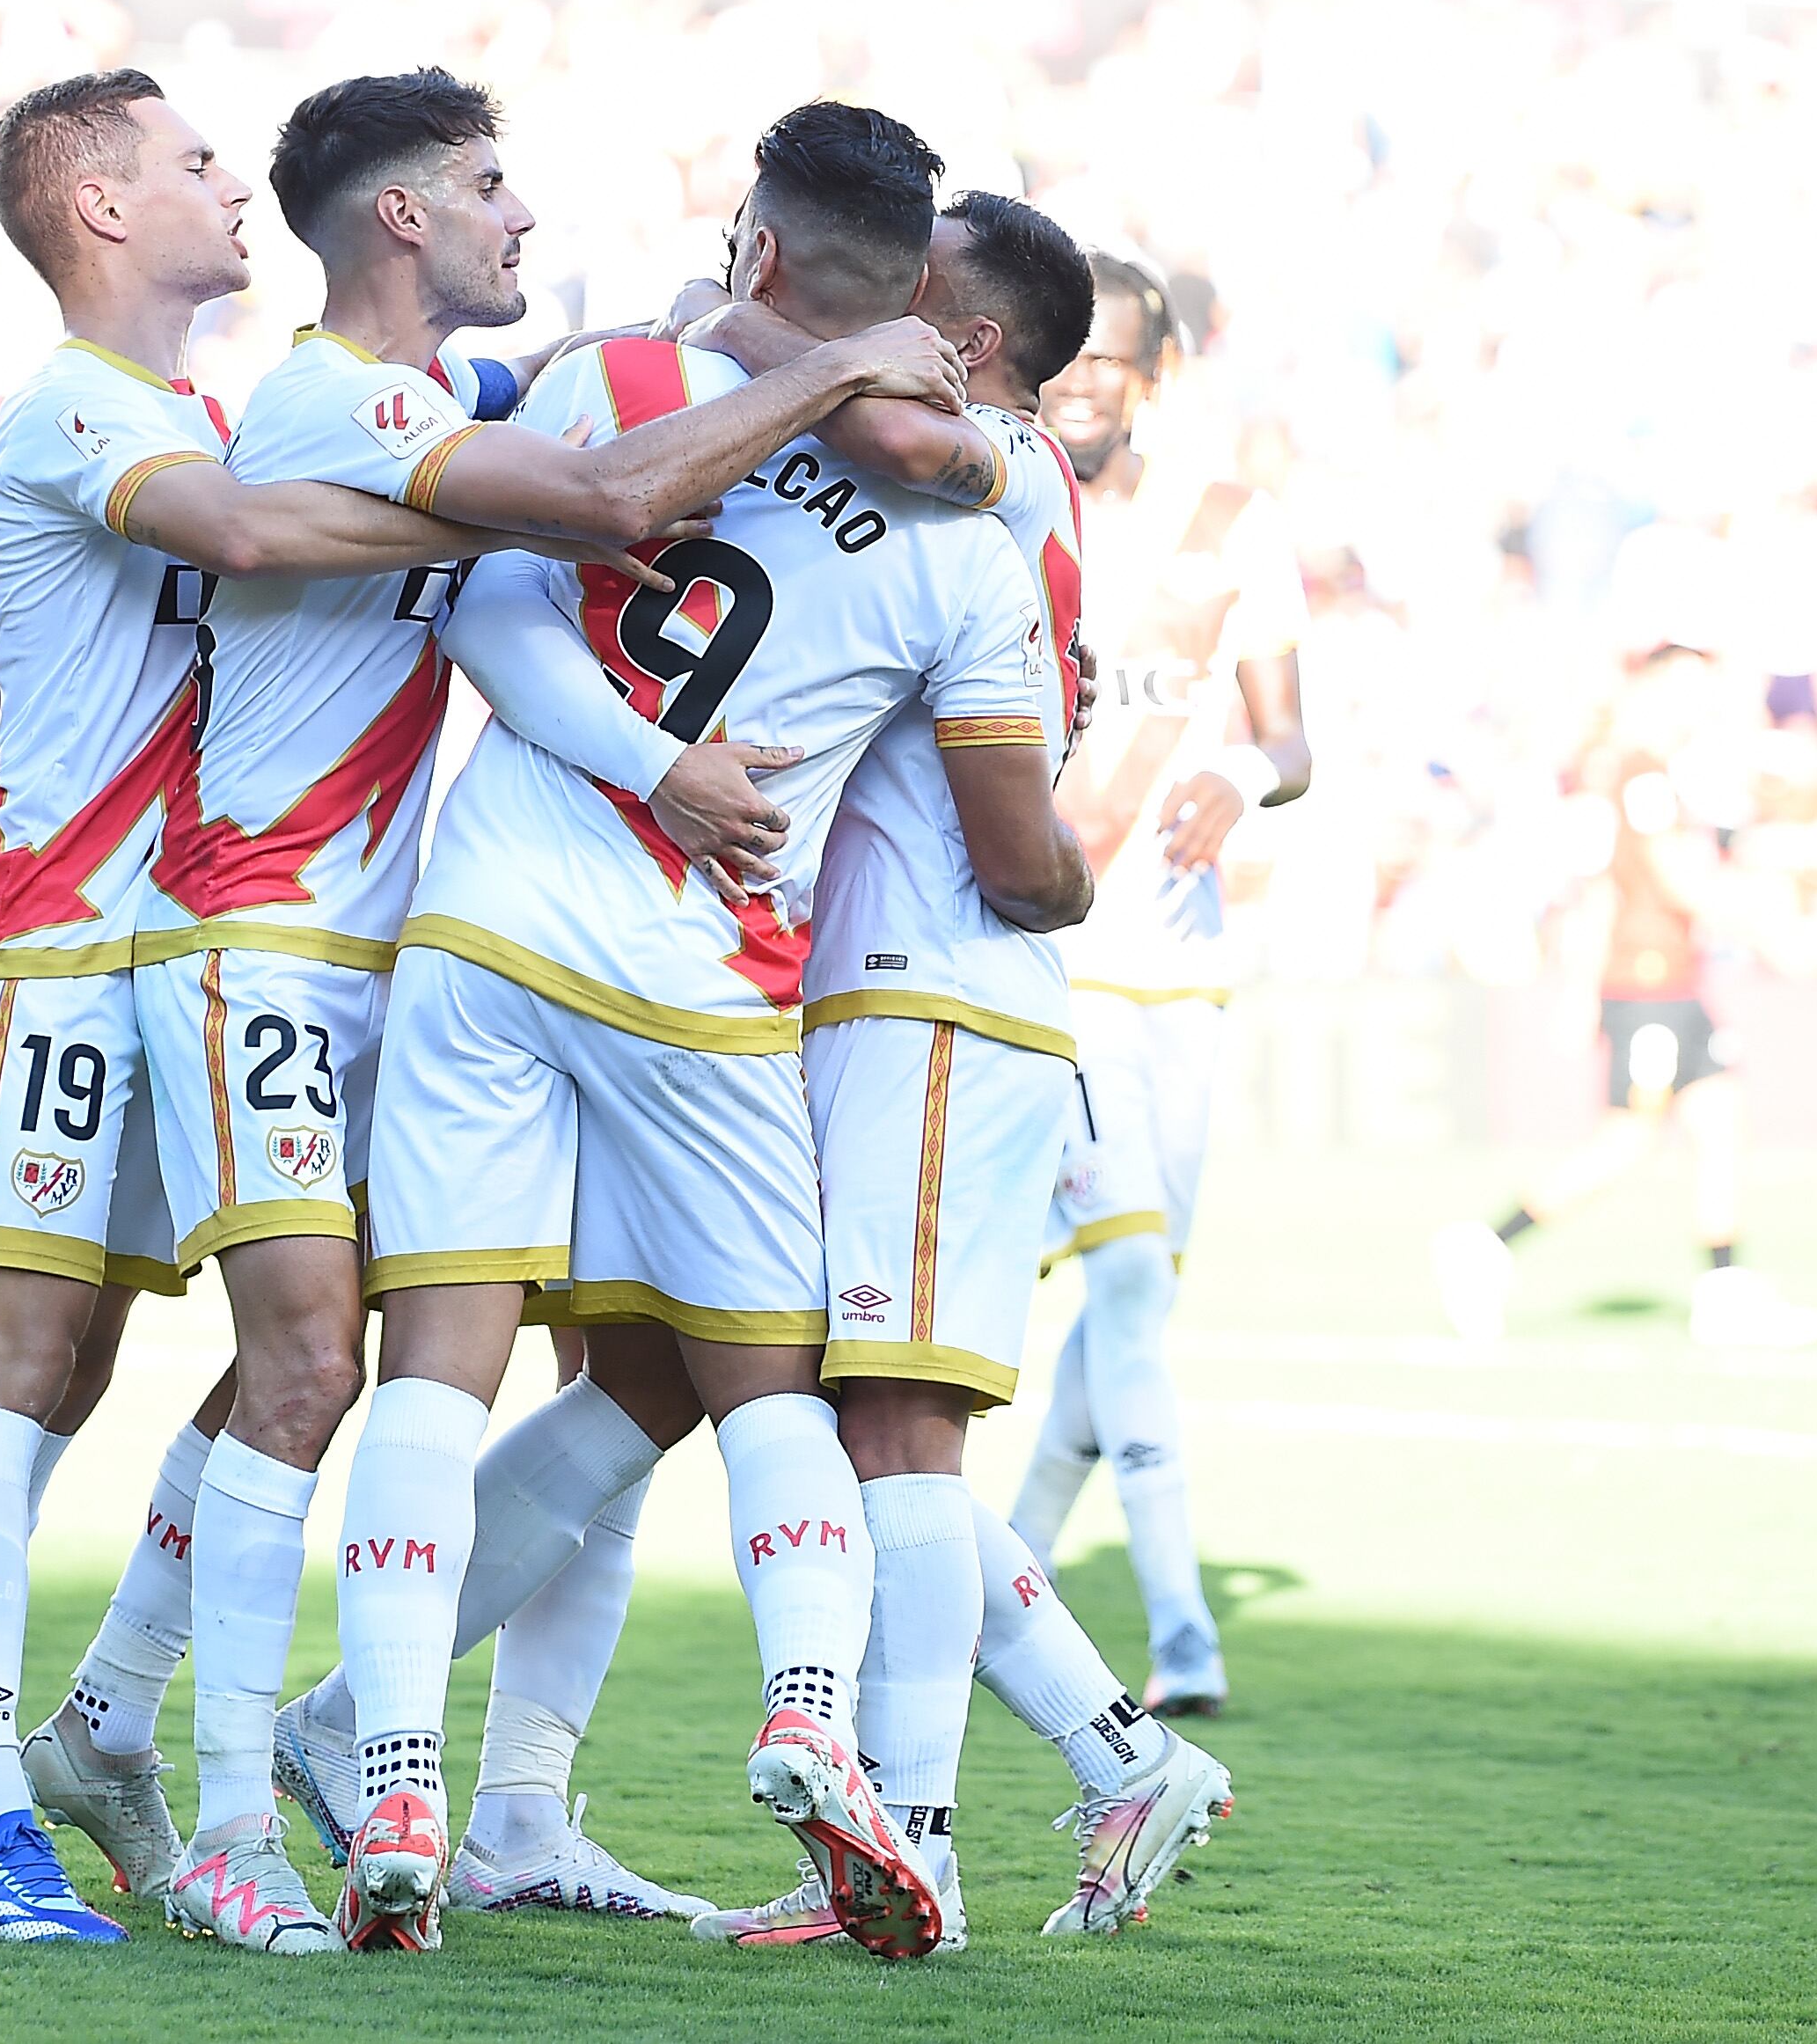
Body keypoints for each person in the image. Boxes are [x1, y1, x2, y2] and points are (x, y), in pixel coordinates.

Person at [114, 65, 941, 1954]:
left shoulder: (519, 383)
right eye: (491, 183)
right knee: (343, 1366)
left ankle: (392, 1771)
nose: (525, 213)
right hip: (326, 933)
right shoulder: (366, 401)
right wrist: (851, 368)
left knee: (423, 1360)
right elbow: (602, 506)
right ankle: (200, 1791)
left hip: (437, 931)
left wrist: (727, 335)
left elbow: (540, 508)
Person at [320, 101, 1025, 1960]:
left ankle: (395, 1777)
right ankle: (808, 1714)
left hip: (493, 914)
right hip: (710, 975)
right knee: (767, 1383)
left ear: (759, 246)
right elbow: (995, 791)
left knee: (438, 1360)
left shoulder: (624, 376)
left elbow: (484, 616)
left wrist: (644, 756)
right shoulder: (970, 527)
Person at [679, 194, 1233, 1948]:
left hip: (937, 990)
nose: (880, 319)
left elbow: (886, 429)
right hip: (906, 993)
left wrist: (738, 315)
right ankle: (1117, 1756)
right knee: (872, 1430)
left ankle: (917, 1842)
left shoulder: (997, 462)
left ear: (974, 342)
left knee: (900, 1435)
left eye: (910, 298)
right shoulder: (978, 485)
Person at [1007, 249, 1313, 1721]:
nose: (1079, 383)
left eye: (1107, 358)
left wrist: (1240, 774)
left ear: (1156, 370)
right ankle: (1181, 1630)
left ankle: (1004, 1567)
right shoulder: (996, 507)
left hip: (1184, 973)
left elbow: (1292, 741)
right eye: (1060, 354)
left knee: (1131, 1308)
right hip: (1050, 965)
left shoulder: (1231, 527)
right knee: (1126, 1283)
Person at [1431, 643, 1817, 1349]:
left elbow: (1611, 890)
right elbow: (1673, 882)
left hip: (1675, 983)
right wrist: (1771, 925)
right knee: (1627, 1141)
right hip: (1647, 988)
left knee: (1719, 1121)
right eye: (1687, 686)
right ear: (1653, 687)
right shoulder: (1640, 774)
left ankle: (1722, 1292)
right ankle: (1486, 1246)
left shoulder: (1650, 774)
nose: (1699, 703)